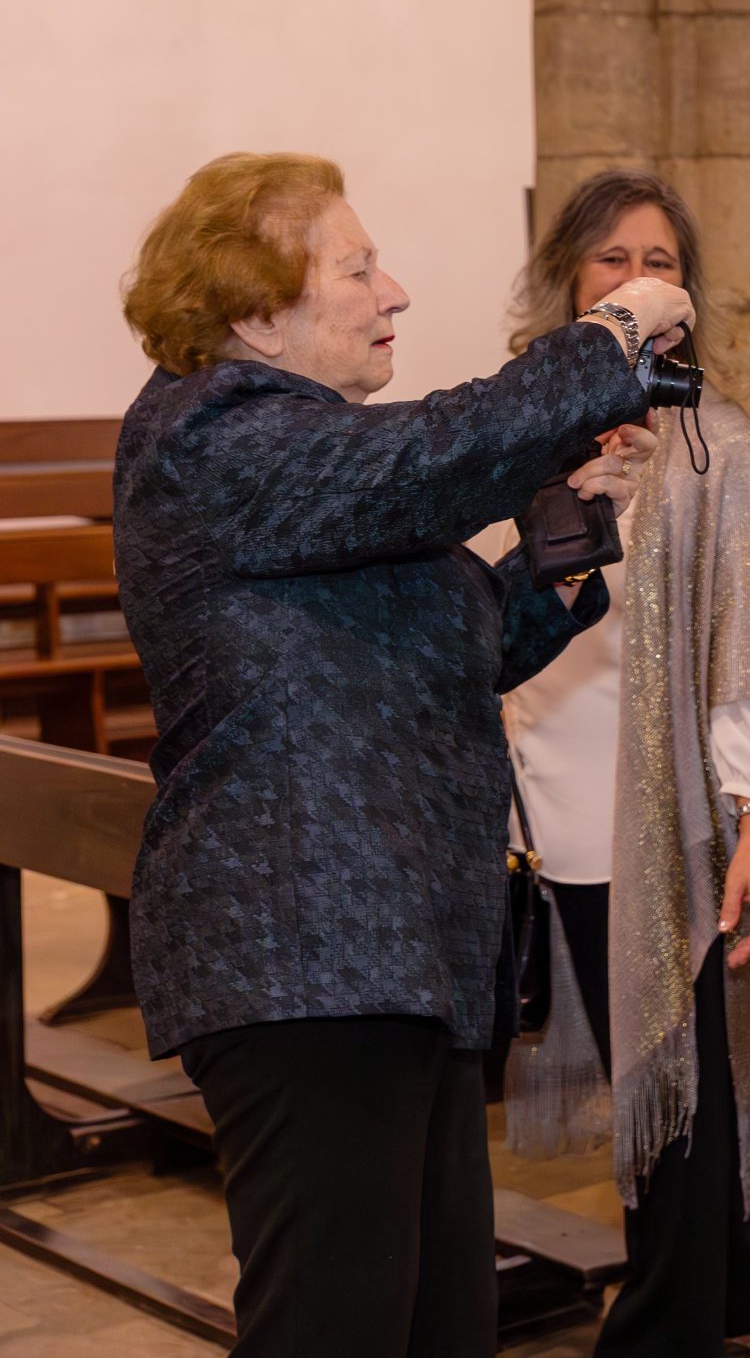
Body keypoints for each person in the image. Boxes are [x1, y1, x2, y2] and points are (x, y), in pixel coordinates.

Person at [112, 152, 689, 1356]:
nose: (396, 292)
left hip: (401, 953)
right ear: (257, 311)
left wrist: (571, 529)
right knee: (338, 1327)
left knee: (440, 1324)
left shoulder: (316, 470)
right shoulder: (211, 439)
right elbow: (434, 454)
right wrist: (609, 335)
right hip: (304, 949)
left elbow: (458, 651)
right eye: (358, 268)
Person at [497, 170, 750, 1357]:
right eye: (611, 259)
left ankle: (662, 1328)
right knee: (673, 1077)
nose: (638, 280)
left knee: (671, 1082)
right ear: (567, 283)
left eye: (659, 261)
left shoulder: (712, 447)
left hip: (668, 814)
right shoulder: (520, 427)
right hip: (552, 803)